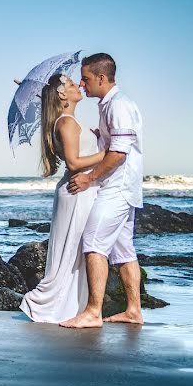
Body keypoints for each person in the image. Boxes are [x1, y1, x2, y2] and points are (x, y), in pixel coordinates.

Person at [59, 53, 145, 328]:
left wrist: (88, 178)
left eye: (85, 79)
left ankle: (93, 312)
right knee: (124, 251)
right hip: (122, 185)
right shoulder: (110, 105)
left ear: (101, 78)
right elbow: (113, 146)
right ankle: (133, 310)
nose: (82, 85)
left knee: (93, 242)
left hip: (117, 187)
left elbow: (118, 153)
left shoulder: (118, 105)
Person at [19, 72, 106, 323]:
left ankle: (74, 307)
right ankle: (48, 304)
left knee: (77, 250)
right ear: (61, 94)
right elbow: (74, 162)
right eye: (70, 84)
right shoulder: (66, 123)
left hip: (79, 191)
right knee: (72, 251)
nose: (78, 85)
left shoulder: (69, 121)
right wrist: (107, 153)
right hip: (77, 192)